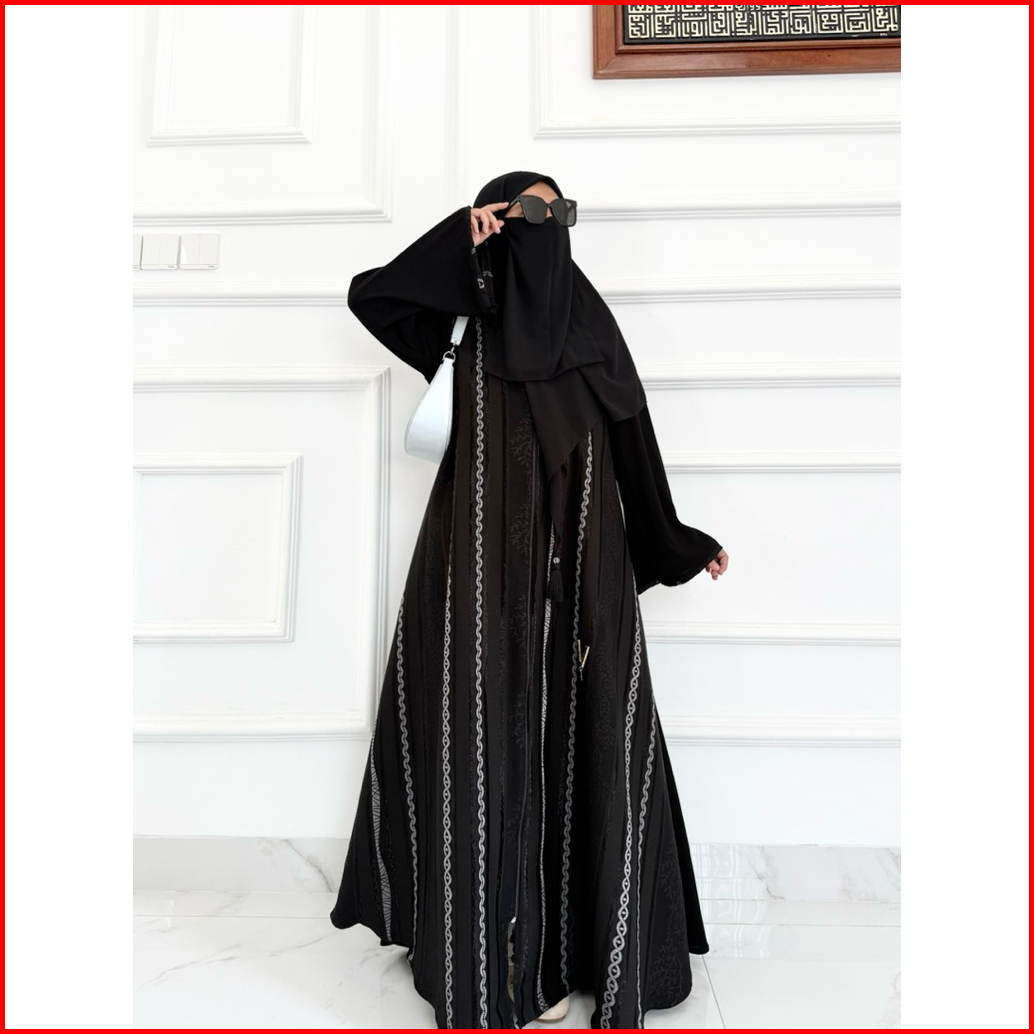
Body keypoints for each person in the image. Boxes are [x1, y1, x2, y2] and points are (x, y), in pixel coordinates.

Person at [329, 171, 729, 1030]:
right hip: (475, 559)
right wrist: (458, 239)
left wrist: (675, 540)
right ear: (501, 220)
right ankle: (486, 953)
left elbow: (635, 443)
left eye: (562, 212)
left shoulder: (592, 328)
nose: (552, 226)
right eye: (535, 212)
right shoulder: (465, 323)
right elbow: (372, 297)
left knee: (591, 729)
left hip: (588, 554)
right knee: (482, 732)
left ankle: (591, 948)